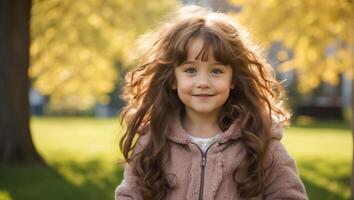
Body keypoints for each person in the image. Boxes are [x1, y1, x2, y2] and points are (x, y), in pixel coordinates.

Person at [115, 5, 308, 200]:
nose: (203, 83)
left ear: (233, 79)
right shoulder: (152, 140)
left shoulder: (259, 140)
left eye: (216, 71)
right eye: (190, 70)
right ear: (173, 79)